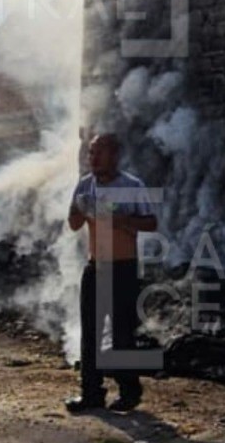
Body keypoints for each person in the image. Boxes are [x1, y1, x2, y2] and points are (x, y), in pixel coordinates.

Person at [65, 132, 158, 413]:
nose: (92, 158)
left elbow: (151, 223)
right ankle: (91, 394)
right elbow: (72, 224)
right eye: (91, 153)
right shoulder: (85, 186)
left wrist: (118, 218)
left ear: (114, 156)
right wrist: (81, 212)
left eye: (98, 152)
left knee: (121, 334)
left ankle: (129, 392)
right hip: (95, 268)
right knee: (90, 334)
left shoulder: (132, 186)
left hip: (123, 269)